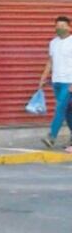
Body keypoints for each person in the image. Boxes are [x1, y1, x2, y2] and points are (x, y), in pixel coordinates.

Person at [39, 15, 72, 148]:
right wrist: (43, 77)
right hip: (56, 82)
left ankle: (51, 137)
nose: (60, 28)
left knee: (60, 108)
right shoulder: (53, 42)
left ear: (69, 27)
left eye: (63, 26)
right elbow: (50, 62)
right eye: (58, 26)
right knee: (67, 111)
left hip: (69, 82)